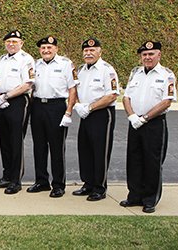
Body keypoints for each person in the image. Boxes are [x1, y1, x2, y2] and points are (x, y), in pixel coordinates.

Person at [121, 41, 176, 213]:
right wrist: (131, 116)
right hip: (135, 123)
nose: (147, 57)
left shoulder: (166, 75)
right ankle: (135, 195)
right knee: (134, 159)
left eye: (151, 54)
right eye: (144, 54)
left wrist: (144, 118)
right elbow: (126, 97)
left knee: (152, 161)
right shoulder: (135, 73)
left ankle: (150, 199)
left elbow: (166, 101)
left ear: (158, 55)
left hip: (154, 124)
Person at [28, 36, 77, 198]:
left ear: (56, 48)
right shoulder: (35, 64)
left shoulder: (65, 64)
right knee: (39, 146)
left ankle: (58, 184)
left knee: (57, 147)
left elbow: (72, 89)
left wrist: (68, 112)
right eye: (43, 48)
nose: (46, 50)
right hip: (37, 107)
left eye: (49, 47)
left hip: (57, 107)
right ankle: (41, 181)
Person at [72, 38, 119, 201]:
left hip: (101, 114)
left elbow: (112, 95)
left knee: (100, 151)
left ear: (100, 52)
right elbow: (75, 90)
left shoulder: (107, 70)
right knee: (85, 149)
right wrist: (77, 105)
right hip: (85, 114)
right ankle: (88, 183)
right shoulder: (81, 70)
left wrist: (90, 107)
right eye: (86, 51)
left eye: (92, 50)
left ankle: (99, 187)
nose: (88, 53)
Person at [0, 30, 35, 194]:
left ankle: (16, 180)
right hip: (3, 101)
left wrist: (7, 96)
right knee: (4, 140)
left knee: (16, 140)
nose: (11, 44)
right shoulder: (2, 60)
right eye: (9, 41)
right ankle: (7, 175)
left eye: (15, 41)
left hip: (18, 101)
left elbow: (28, 84)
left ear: (21, 43)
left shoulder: (26, 60)